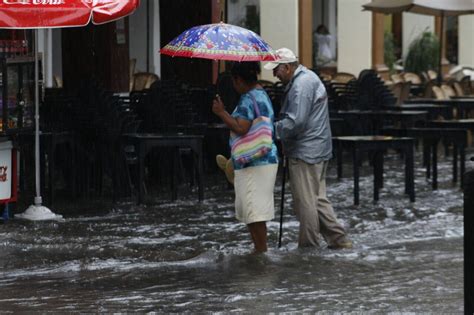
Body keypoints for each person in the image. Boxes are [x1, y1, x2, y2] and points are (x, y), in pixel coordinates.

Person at [263, 47, 352, 249]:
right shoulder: (307, 78)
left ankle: (308, 246)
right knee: (317, 198)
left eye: (276, 69)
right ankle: (338, 239)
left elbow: (296, 122)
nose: (273, 74)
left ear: (286, 67)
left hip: (306, 151)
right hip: (317, 147)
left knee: (306, 202)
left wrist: (270, 130)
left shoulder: (300, 86)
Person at [212, 62, 279, 253]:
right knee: (254, 211)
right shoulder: (262, 94)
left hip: (254, 161)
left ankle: (260, 254)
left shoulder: (248, 99)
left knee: (254, 212)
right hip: (264, 159)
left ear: (238, 80)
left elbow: (241, 127)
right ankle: (260, 251)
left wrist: (221, 112)